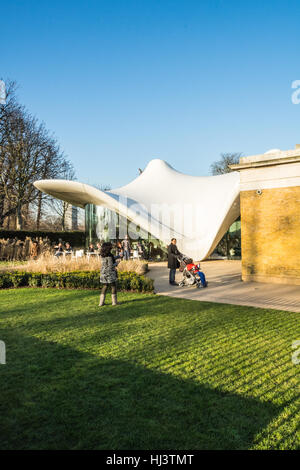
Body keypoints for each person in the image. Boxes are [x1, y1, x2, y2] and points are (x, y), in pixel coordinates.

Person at [99, 242, 120, 306]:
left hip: (103, 272)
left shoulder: (102, 254)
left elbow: (110, 260)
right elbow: (111, 265)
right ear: (108, 247)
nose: (111, 247)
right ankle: (114, 302)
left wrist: (118, 256)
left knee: (105, 286)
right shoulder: (110, 255)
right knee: (113, 286)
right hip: (109, 273)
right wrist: (117, 263)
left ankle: (101, 303)